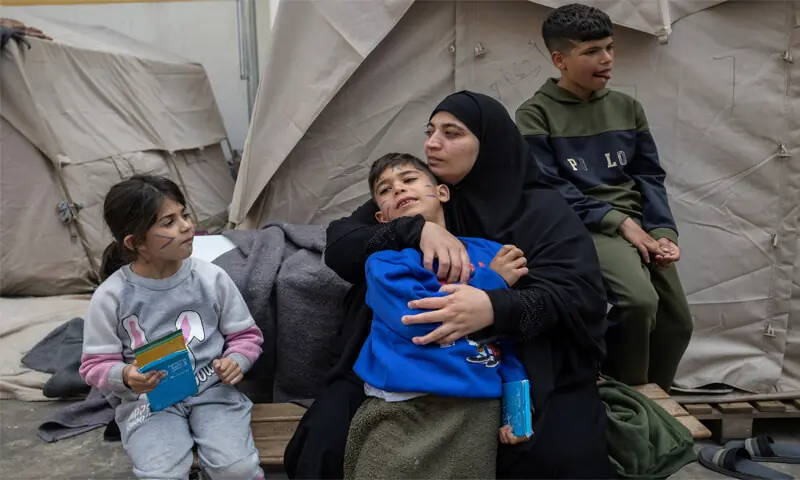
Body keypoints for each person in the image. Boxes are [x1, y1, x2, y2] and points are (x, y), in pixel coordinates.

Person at [285, 91, 614, 479]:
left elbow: (578, 296)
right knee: (323, 446)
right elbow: (341, 244)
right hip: (403, 354)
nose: (432, 143)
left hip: (519, 356)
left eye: (451, 133)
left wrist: (493, 308)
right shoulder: (418, 196)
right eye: (430, 132)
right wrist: (414, 229)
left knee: (554, 457)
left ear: (487, 143)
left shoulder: (542, 212)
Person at [514, 3, 693, 391]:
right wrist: (619, 223)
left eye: (610, 47)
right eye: (592, 51)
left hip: (638, 224)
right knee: (638, 302)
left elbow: (649, 175)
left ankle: (653, 398)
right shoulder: (535, 115)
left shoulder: (627, 107)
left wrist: (663, 232)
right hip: (587, 225)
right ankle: (623, 393)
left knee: (678, 321)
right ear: (559, 59)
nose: (607, 59)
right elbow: (549, 189)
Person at [344, 153, 530, 479]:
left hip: (475, 404)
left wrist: (518, 411)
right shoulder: (385, 263)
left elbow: (506, 335)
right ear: (382, 217)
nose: (398, 189)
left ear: (442, 192)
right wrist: (493, 285)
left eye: (409, 179)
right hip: (402, 405)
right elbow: (423, 322)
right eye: (385, 189)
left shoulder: (490, 253)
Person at [79, 175, 265, 480]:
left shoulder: (212, 278)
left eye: (185, 214)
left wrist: (237, 360)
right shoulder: (111, 297)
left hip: (214, 394)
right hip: (149, 405)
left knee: (238, 469)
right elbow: (94, 366)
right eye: (169, 221)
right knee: (160, 474)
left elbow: (246, 336)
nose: (186, 226)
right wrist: (125, 376)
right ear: (136, 242)